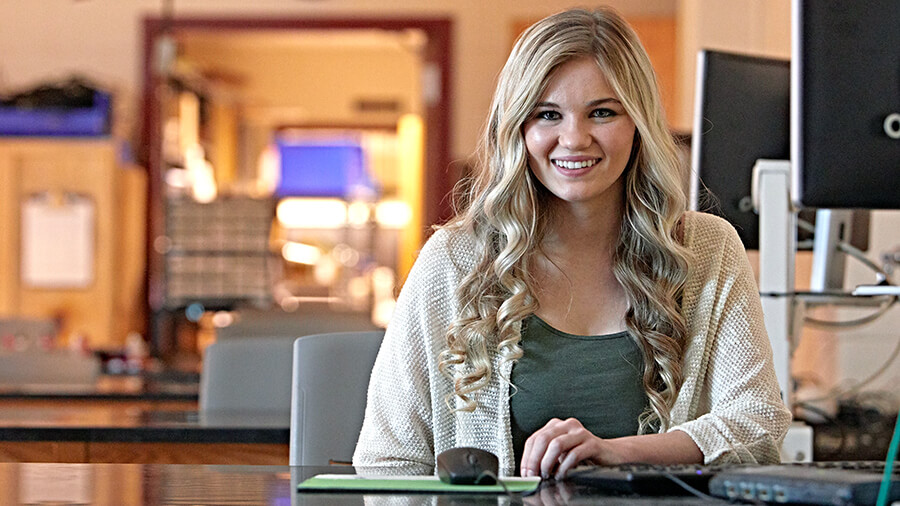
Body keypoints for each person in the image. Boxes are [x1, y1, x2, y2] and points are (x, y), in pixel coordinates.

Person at [353, 6, 791, 480]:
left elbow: (759, 426)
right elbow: (388, 461)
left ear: (638, 124)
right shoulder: (455, 262)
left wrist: (617, 451)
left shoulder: (706, 248)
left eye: (602, 112)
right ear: (518, 128)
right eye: (547, 114)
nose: (574, 138)